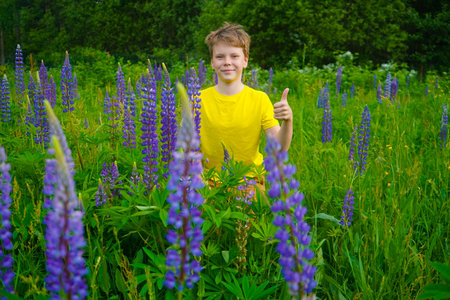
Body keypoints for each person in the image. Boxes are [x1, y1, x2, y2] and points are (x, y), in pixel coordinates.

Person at [199, 22, 293, 189]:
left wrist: (287, 120)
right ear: (212, 62)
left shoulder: (260, 99)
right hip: (209, 184)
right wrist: (197, 178)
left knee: (252, 212)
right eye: (220, 57)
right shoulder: (197, 99)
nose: (227, 62)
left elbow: (279, 148)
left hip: (249, 182)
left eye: (234, 56)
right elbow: (187, 147)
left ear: (245, 61)